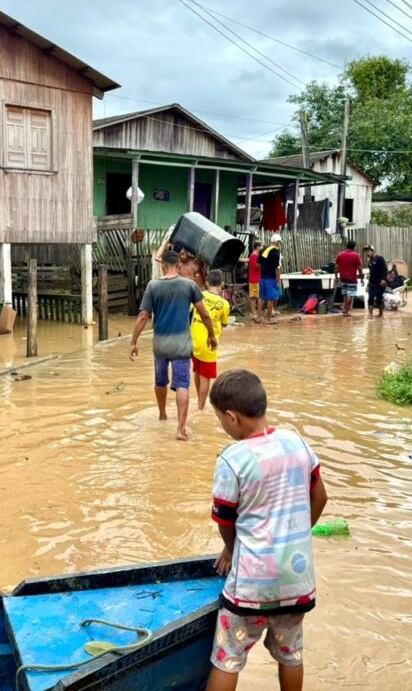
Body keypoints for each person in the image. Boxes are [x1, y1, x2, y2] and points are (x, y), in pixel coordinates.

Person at [206, 369, 328, 691]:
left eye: (220, 419)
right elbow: (320, 496)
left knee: (227, 656)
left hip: (251, 587)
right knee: (291, 654)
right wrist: (299, 533)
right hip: (296, 580)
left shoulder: (233, 459)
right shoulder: (296, 442)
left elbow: (225, 520)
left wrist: (232, 550)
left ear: (232, 417)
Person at [131, 250, 217, 441]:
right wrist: (211, 335)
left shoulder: (153, 286)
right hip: (181, 346)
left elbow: (143, 316)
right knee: (182, 385)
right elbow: (204, 315)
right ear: (179, 266)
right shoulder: (189, 286)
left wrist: (133, 342)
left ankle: (162, 414)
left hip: (160, 345)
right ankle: (180, 429)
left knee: (160, 381)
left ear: (162, 267)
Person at [191, 269, 231, 411]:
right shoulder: (224, 304)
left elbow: (191, 312)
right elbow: (225, 323)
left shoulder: (198, 295)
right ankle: (200, 409)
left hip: (194, 341)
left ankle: (198, 400)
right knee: (205, 378)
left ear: (207, 283)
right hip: (210, 343)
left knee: (197, 371)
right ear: (222, 284)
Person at [334, 240, 363, 317]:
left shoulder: (340, 254)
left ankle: (344, 308)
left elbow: (336, 267)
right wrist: (362, 278)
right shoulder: (356, 255)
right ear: (354, 247)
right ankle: (346, 311)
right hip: (352, 278)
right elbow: (359, 268)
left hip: (342, 277)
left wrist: (336, 277)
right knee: (350, 294)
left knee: (345, 294)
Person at [258, 233, 283, 324]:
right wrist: (278, 280)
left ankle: (258, 317)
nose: (279, 244)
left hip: (262, 277)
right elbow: (277, 268)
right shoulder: (277, 252)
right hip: (271, 278)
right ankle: (268, 319)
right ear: (276, 242)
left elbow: (258, 264)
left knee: (261, 297)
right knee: (271, 298)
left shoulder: (263, 250)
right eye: (279, 242)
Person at [363, 245, 388, 318]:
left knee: (379, 299)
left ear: (373, 251)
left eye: (368, 251)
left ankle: (381, 313)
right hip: (372, 283)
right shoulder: (370, 261)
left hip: (380, 283)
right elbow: (371, 274)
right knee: (370, 298)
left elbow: (385, 270)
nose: (367, 253)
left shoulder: (380, 258)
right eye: (366, 252)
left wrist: (383, 279)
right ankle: (370, 314)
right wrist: (368, 284)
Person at [247, 241, 262, 323]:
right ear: (257, 247)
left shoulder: (256, 255)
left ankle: (254, 314)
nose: (262, 248)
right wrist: (262, 263)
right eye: (261, 246)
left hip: (256, 278)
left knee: (255, 297)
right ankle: (254, 314)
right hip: (254, 279)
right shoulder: (254, 255)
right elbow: (255, 266)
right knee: (253, 297)